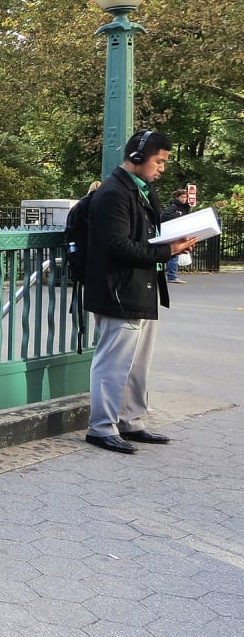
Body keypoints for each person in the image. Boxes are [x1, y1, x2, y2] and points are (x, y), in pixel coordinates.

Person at [82, 130, 196, 454]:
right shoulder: (114, 193)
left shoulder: (143, 191)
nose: (161, 168)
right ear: (136, 158)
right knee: (112, 363)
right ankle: (101, 427)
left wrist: (177, 241)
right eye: (158, 161)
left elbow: (150, 236)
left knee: (137, 365)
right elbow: (117, 245)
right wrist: (168, 251)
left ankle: (131, 421)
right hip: (119, 292)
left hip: (142, 289)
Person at [161, 188, 191, 283]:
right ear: (177, 197)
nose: (184, 199)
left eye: (185, 197)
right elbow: (164, 217)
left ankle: (172, 276)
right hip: (173, 232)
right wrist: (178, 214)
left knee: (175, 254)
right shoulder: (174, 206)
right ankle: (172, 277)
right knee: (174, 255)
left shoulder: (185, 207)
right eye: (182, 197)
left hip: (179, 231)